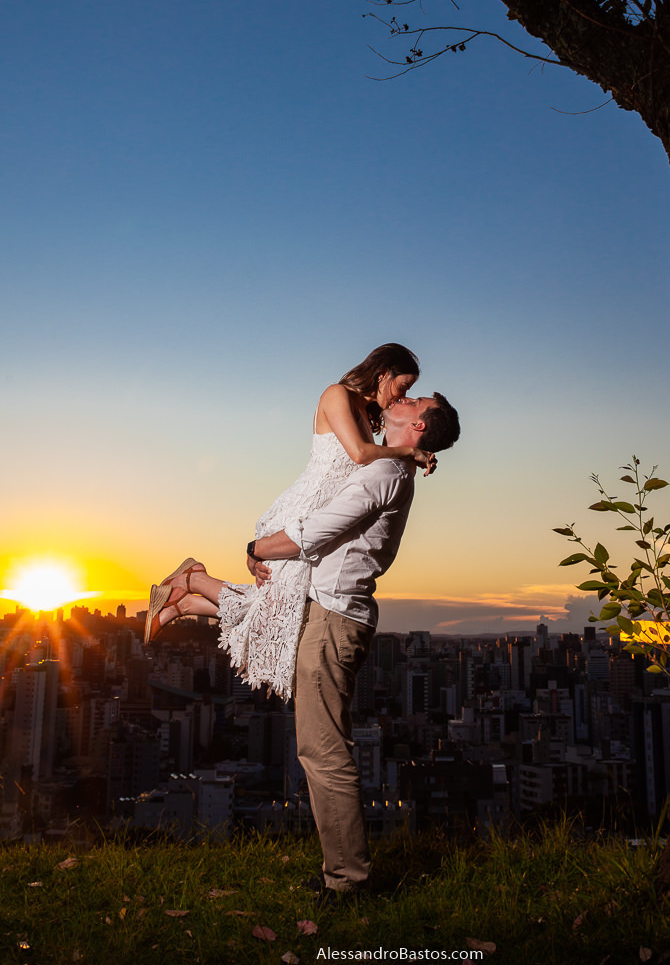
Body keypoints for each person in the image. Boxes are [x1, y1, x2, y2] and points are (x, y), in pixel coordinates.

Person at [249, 390, 460, 895]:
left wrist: (255, 547)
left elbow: (315, 533)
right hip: (329, 614)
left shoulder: (386, 474)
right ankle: (343, 872)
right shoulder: (391, 466)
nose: (403, 398)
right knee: (320, 748)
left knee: (323, 751)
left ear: (419, 428)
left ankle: (347, 881)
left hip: (332, 621)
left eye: (415, 401)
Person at [144, 344, 435, 698]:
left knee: (280, 613)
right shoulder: (336, 394)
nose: (399, 397)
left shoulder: (364, 413)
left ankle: (185, 600)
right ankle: (192, 580)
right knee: (277, 615)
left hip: (313, 522)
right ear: (383, 372)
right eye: (401, 387)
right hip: (299, 515)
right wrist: (409, 451)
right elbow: (359, 454)